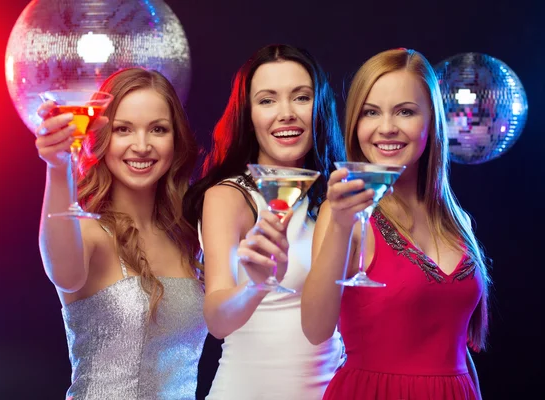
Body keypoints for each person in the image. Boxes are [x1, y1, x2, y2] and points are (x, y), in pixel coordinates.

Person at [301, 48, 491, 400]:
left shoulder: (456, 219)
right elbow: (315, 329)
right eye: (370, 112)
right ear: (355, 123)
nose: (386, 127)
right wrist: (341, 228)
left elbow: (458, 348)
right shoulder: (345, 214)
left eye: (405, 111)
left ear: (431, 120)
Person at [183, 44, 346, 399]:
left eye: (301, 97)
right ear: (248, 114)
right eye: (267, 100)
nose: (286, 113)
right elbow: (217, 320)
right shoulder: (229, 197)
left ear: (319, 108)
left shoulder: (337, 197)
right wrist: (256, 285)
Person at [34, 68, 207, 399]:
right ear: (101, 137)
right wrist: (58, 166)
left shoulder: (189, 237)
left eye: (158, 129)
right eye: (123, 129)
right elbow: (65, 275)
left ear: (176, 139)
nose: (141, 146)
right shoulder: (88, 232)